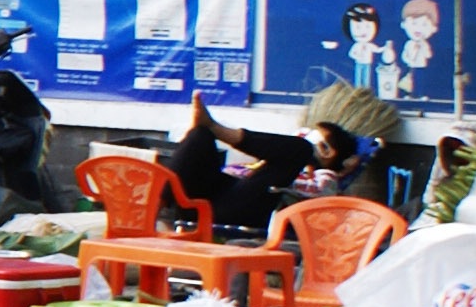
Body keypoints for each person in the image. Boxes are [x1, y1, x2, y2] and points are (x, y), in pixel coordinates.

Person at [166, 85, 392, 234]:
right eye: (307, 133)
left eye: (321, 145)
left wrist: (306, 161)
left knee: (299, 150)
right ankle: (161, 201)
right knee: (200, 137)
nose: (309, 141)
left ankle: (217, 128)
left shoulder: (328, 180)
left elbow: (311, 194)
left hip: (244, 213)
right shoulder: (279, 164)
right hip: (208, 201)